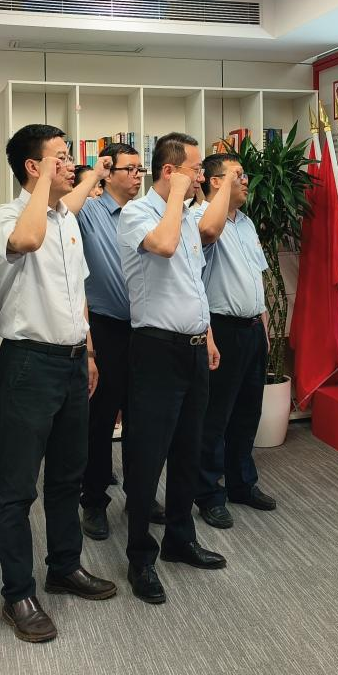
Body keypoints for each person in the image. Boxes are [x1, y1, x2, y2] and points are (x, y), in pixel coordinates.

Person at [0, 125, 117, 644]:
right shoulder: (8, 216)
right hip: (28, 363)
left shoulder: (68, 218)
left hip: (70, 361)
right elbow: (26, 241)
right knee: (18, 487)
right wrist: (48, 184)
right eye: (60, 158)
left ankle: (64, 566)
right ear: (33, 167)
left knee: (68, 476)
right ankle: (17, 593)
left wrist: (88, 351)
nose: (71, 165)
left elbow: (77, 291)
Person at [116, 131, 234, 604]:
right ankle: (140, 557)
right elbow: (164, 247)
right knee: (148, 455)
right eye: (194, 169)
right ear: (169, 171)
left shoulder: (185, 217)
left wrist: (207, 334)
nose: (200, 176)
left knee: (189, 447)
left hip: (192, 348)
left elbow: (192, 281)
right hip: (155, 350)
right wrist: (177, 200)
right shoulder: (137, 214)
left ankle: (181, 539)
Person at [193, 154, 278, 528]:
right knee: (215, 417)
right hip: (221, 329)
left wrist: (264, 327)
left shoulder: (245, 222)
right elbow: (197, 278)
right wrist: (209, 335)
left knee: (247, 412)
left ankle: (242, 483)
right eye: (237, 175)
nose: (246, 180)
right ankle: (209, 494)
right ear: (215, 181)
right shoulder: (200, 219)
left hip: (252, 329)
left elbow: (256, 277)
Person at [68, 143, 144, 540]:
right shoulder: (91, 211)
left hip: (145, 329)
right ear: (109, 173)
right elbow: (62, 210)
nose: (137, 176)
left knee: (141, 419)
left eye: (140, 169)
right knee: (99, 421)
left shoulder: (143, 212)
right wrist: (93, 175)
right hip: (104, 327)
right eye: (129, 169)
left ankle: (139, 495)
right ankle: (94, 500)